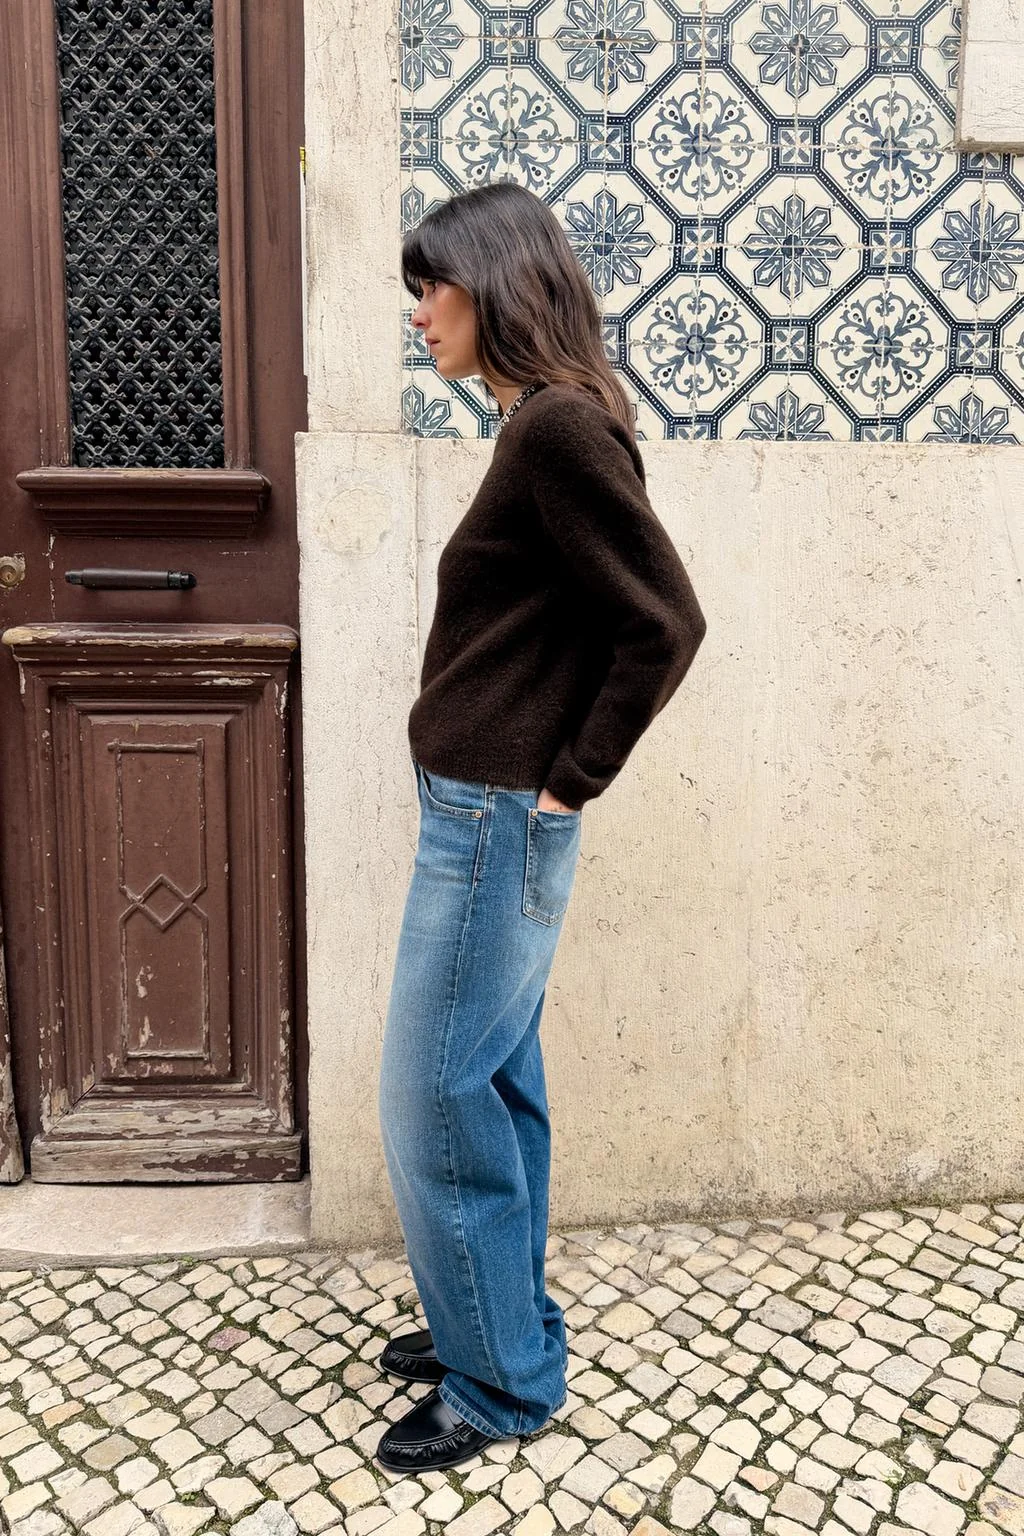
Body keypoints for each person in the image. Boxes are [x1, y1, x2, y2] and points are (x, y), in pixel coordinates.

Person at [374, 182, 708, 1474]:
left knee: (434, 1097)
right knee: (495, 1086)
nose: (420, 314)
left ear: (498, 285)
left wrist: (575, 779)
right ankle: (495, 1327)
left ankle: (502, 1385)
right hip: (479, 810)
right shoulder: (539, 423)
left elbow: (663, 623)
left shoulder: (559, 427)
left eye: (433, 287)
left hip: (497, 818)